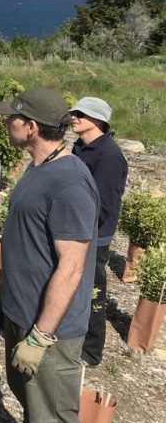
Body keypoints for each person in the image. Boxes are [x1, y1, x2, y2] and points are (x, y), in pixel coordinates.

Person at [0, 88, 99, 423]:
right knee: (34, 410)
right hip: (23, 313)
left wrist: (40, 338)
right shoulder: (39, 166)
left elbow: (72, 268)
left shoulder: (70, 184)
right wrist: (5, 295)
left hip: (49, 331)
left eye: (14, 117)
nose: (7, 121)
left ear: (32, 127)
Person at [70, 97, 128, 367]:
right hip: (75, 228)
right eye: (74, 112)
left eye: (81, 114)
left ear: (98, 120)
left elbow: (104, 206)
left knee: (92, 290)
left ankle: (91, 351)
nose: (74, 117)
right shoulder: (80, 146)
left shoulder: (109, 157)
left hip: (95, 235)